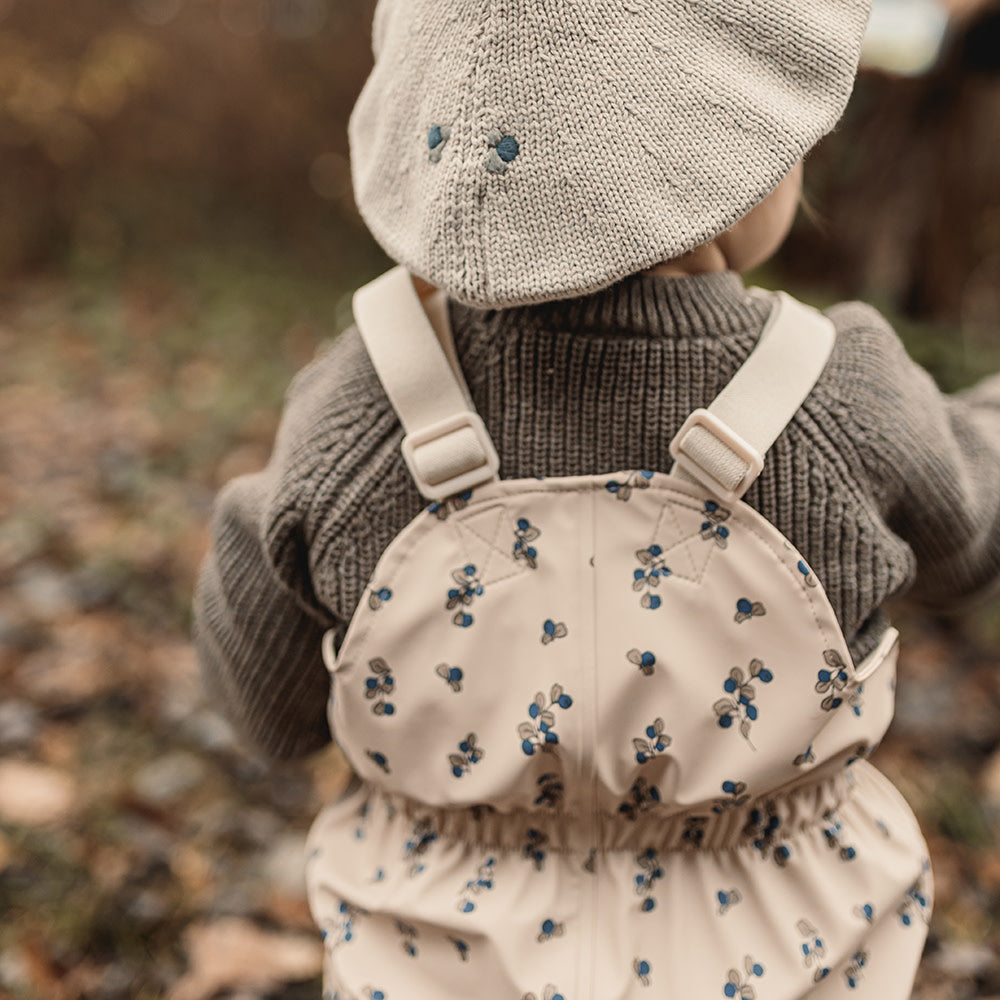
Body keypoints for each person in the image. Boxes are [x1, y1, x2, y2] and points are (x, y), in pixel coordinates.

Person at [193, 3, 1000, 998]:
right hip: (785, 959)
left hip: (437, 962)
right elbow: (968, 543)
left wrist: (261, 522)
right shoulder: (842, 400)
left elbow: (267, 715)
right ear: (730, 171)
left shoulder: (358, 413)